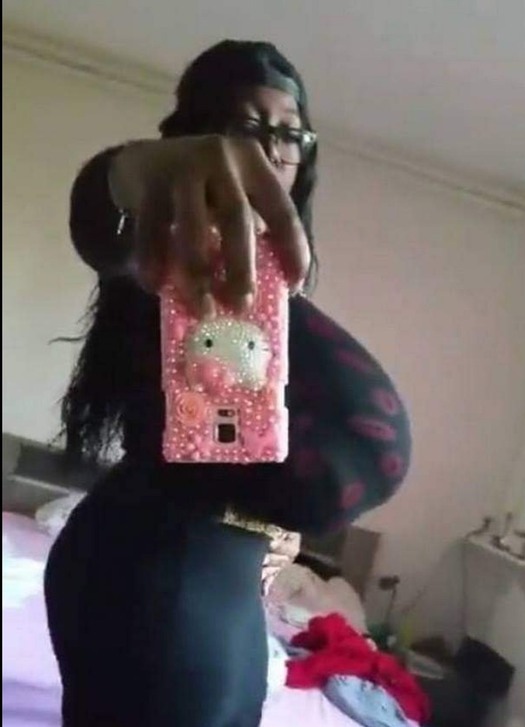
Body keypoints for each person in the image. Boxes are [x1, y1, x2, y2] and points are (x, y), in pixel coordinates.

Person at [44, 40, 412, 727]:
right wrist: (129, 171)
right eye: (247, 124)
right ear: (197, 134)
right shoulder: (161, 255)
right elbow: (101, 227)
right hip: (156, 564)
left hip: (230, 573)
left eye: (289, 132)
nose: (271, 147)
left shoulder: (269, 293)